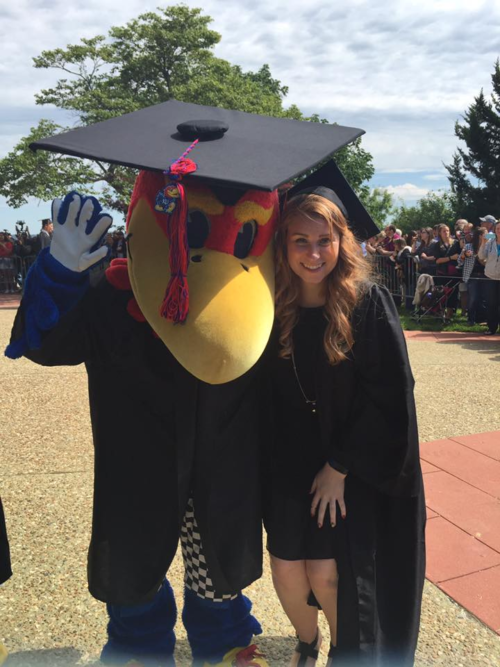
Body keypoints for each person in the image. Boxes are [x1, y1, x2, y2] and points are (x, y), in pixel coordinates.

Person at [264, 189, 425, 666]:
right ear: (283, 245)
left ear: (341, 241)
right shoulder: (270, 303)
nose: (313, 254)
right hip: (287, 457)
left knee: (327, 571)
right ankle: (306, 641)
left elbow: (390, 394)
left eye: (323, 240)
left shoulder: (365, 302)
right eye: (300, 241)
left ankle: (345, 651)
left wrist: (339, 465)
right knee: (286, 569)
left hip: (346, 460)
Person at [430, 223, 461, 321]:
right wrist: (451, 258)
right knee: (442, 294)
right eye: (444, 231)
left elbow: (461, 255)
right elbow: (438, 260)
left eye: (447, 230)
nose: (446, 233)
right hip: (441, 272)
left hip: (454, 272)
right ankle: (441, 313)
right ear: (439, 233)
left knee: (453, 294)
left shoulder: (456, 243)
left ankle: (449, 315)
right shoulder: (436, 245)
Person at [478, 219, 500, 335]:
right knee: (491, 304)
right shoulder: (490, 242)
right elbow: (481, 256)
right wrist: (483, 242)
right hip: (490, 276)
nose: (499, 231)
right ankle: (492, 328)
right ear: (494, 230)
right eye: (497, 229)